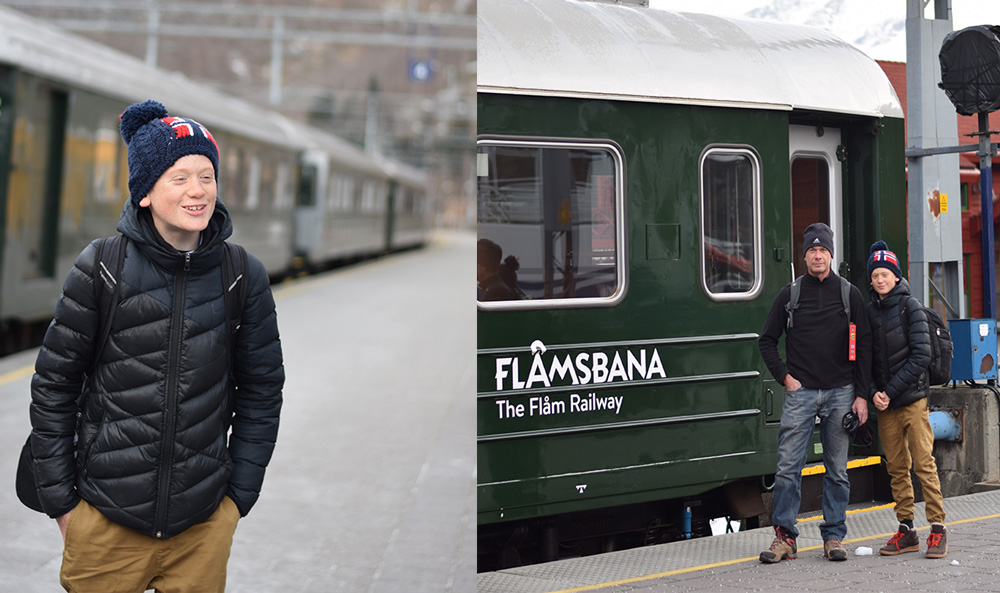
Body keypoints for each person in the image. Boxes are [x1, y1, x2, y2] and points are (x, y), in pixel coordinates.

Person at [28, 99, 284, 592]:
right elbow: (53, 388)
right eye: (180, 177)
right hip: (104, 520)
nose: (198, 191)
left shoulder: (241, 275)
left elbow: (263, 390)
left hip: (203, 524)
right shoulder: (101, 267)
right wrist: (62, 505)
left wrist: (236, 501)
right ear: (145, 192)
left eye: (206, 176)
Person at [757, 222, 872, 563]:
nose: (818, 255)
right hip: (801, 392)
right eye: (812, 250)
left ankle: (834, 537)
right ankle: (785, 538)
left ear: (831, 255)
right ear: (804, 256)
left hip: (841, 392)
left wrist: (861, 395)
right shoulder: (789, 295)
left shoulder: (849, 294)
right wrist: (785, 378)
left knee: (837, 470)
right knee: (788, 468)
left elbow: (863, 347)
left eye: (823, 250)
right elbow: (766, 341)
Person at [865, 240, 948, 559]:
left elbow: (922, 355)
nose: (880, 280)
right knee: (897, 467)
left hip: (912, 400)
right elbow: (866, 361)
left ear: (896, 277)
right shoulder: (870, 312)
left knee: (924, 464)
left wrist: (888, 391)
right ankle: (907, 530)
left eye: (885, 274)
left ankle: (938, 529)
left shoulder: (910, 306)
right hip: (885, 404)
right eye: (875, 275)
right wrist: (874, 392)